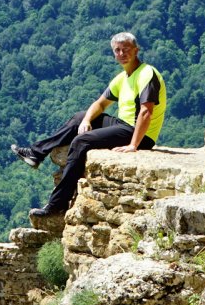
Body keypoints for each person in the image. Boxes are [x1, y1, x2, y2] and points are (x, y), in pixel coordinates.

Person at [11, 31, 167, 217]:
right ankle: (36, 154)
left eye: (126, 49)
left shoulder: (146, 74)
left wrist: (133, 145)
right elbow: (100, 104)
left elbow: (146, 111)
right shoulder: (123, 77)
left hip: (140, 134)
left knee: (81, 141)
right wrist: (86, 120)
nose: (121, 54)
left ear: (136, 50)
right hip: (124, 125)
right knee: (80, 117)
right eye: (117, 50)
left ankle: (57, 204)